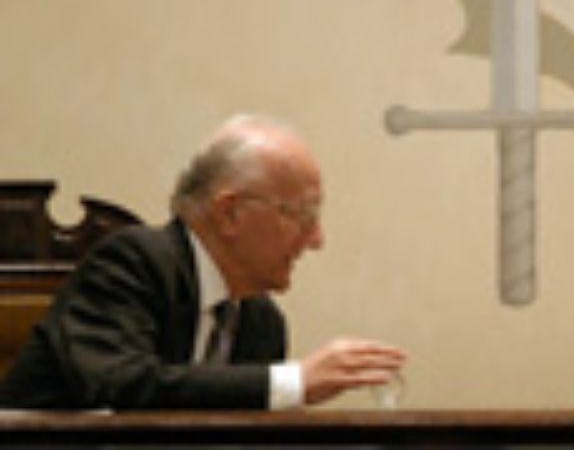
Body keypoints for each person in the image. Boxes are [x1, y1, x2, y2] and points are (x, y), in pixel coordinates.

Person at [0, 114, 405, 409]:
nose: (316, 240)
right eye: (301, 216)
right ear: (230, 212)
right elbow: (120, 385)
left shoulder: (261, 322)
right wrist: (293, 381)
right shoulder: (133, 262)